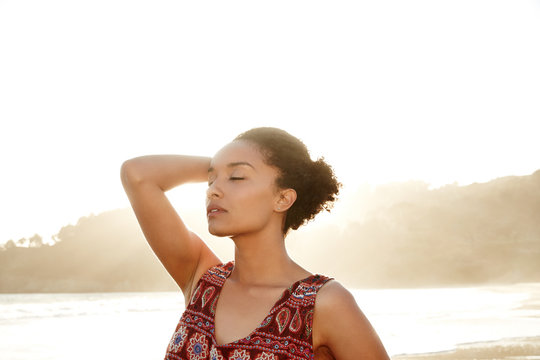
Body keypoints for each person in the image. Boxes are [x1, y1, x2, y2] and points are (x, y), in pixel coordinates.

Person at [120, 127, 389, 360]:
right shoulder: (203, 282)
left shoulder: (323, 303)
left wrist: (295, 173)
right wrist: (223, 164)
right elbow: (137, 174)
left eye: (237, 177)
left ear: (282, 199)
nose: (212, 189)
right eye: (211, 180)